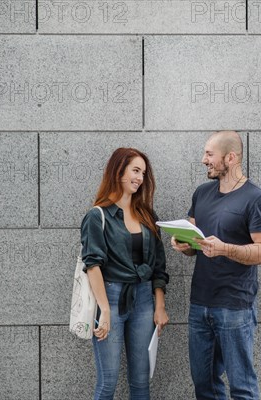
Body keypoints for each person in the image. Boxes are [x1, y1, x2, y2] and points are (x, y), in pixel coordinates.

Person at [171, 131, 261, 400]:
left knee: (241, 386)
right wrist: (184, 245)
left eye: (209, 154)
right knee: (204, 385)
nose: (203, 159)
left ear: (231, 157)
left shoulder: (257, 199)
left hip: (235, 305)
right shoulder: (202, 193)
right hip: (200, 303)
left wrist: (225, 249)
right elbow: (194, 239)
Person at [81, 147, 169, 400]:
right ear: (118, 171)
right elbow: (92, 265)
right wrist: (105, 311)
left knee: (141, 382)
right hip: (110, 296)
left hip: (143, 299)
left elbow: (159, 267)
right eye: (135, 170)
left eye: (143, 172)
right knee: (108, 382)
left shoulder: (148, 216)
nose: (140, 178)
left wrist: (159, 305)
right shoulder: (97, 216)